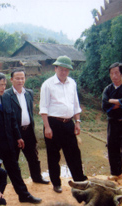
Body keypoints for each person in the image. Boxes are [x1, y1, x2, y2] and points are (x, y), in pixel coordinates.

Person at [0, 72, 41, 204]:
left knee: (15, 171)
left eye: (4, 85)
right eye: (1, 85)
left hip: (9, 143)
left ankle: (24, 195)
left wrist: (18, 137)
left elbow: (12, 119)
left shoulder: (6, 98)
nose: (3, 87)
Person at [39, 55, 88, 193]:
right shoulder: (47, 84)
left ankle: (80, 180)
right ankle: (56, 183)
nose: (63, 72)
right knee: (53, 155)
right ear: (55, 68)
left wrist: (77, 122)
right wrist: (47, 127)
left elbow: (76, 104)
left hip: (69, 123)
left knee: (74, 153)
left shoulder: (72, 83)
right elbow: (43, 108)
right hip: (53, 123)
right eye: (61, 69)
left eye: (66, 70)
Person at [4, 68, 50, 185]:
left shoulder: (29, 93)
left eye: (22, 78)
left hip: (28, 130)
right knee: (13, 159)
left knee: (33, 157)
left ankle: (37, 177)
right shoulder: (6, 95)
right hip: (14, 132)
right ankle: (16, 182)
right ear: (11, 79)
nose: (20, 81)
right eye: (17, 78)